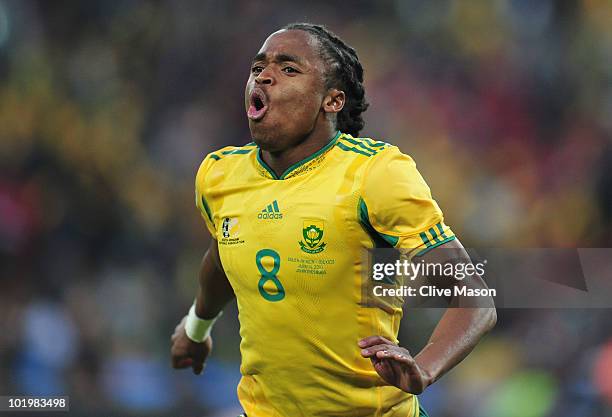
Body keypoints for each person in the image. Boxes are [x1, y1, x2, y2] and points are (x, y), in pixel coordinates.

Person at [171, 23, 496, 417]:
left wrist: (424, 369)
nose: (265, 75)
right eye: (259, 68)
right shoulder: (219, 175)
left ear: (333, 101)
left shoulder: (375, 174)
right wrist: (196, 327)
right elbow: (224, 254)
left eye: (289, 69)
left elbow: (475, 300)